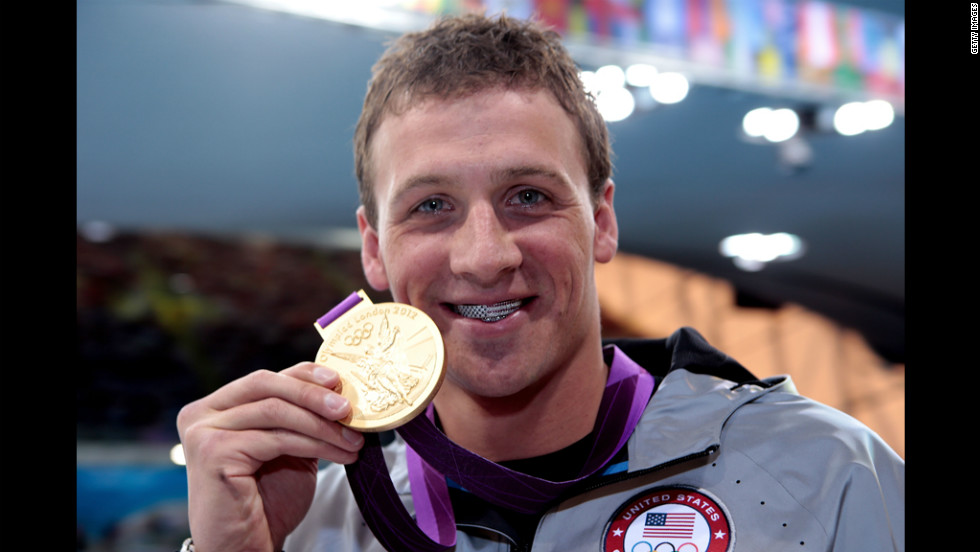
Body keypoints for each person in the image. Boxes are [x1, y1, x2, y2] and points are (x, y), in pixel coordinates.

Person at [176, 13, 904, 552]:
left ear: (603, 221)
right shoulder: (302, 514)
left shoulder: (825, 474)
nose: (485, 256)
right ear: (374, 249)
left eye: (528, 196)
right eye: (431, 207)